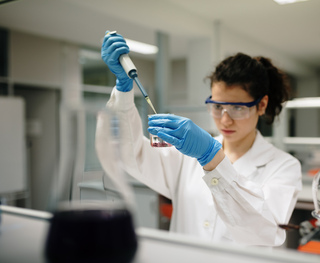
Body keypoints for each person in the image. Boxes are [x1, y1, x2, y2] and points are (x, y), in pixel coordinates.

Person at [96, 31, 302, 247]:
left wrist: (211, 159)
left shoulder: (284, 166)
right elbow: (131, 155)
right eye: (217, 106)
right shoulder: (186, 155)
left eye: (238, 108)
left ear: (261, 105)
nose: (225, 120)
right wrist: (123, 91)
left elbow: (265, 232)